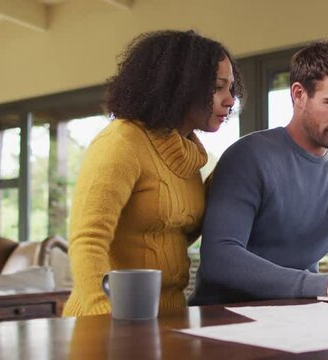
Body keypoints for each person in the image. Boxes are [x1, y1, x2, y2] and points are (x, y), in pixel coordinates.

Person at [190, 40, 328, 306]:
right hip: (224, 320)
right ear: (299, 95)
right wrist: (325, 283)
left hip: (300, 320)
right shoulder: (248, 157)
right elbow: (221, 258)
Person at [63, 30, 244, 316]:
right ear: (179, 85)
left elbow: (167, 236)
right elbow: (88, 241)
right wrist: (104, 317)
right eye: (218, 87)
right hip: (109, 321)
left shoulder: (189, 156)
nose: (230, 100)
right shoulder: (121, 142)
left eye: (231, 88)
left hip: (167, 318)